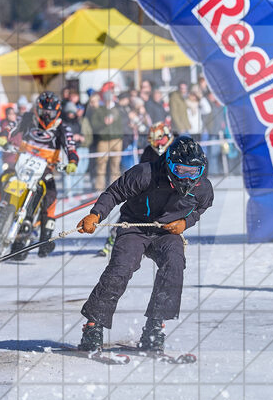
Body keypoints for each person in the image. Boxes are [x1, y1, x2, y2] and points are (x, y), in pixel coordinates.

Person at [76, 135, 214, 351]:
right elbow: (114, 193)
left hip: (166, 232)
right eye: (181, 170)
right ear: (169, 164)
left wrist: (185, 222)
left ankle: (154, 327)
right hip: (134, 227)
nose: (187, 178)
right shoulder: (144, 173)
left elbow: (201, 208)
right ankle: (93, 326)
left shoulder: (202, 188)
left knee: (174, 264)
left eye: (193, 172)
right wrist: (95, 215)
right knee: (121, 267)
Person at [0, 91, 80, 258]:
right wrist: (4, 136)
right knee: (2, 180)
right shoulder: (28, 118)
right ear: (37, 110)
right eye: (44, 112)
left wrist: (72, 163)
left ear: (57, 112)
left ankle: (45, 239)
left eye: (51, 113)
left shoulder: (62, 127)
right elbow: (11, 126)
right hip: (22, 164)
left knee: (51, 194)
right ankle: (1, 213)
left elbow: (71, 147)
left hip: (45, 169)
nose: (47, 115)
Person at [97, 122, 175, 258]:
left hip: (167, 192)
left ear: (168, 137)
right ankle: (111, 242)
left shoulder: (175, 149)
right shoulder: (149, 152)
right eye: (154, 141)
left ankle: (156, 245)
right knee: (129, 212)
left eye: (160, 140)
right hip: (147, 190)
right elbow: (142, 172)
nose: (158, 145)